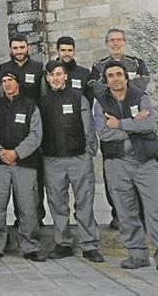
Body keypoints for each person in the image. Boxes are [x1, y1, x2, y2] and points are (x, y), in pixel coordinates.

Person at [93, 62, 158, 276]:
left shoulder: (140, 96)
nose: (115, 78)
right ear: (106, 81)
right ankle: (137, 254)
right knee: (126, 211)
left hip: (145, 162)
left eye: (119, 74)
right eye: (110, 76)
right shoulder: (100, 103)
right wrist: (134, 124)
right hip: (116, 163)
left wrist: (120, 124)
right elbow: (103, 133)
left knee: (155, 210)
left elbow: (149, 124)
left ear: (126, 77)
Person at [39, 60, 104, 263]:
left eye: (59, 74)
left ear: (65, 76)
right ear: (47, 78)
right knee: (57, 203)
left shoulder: (78, 98)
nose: (56, 78)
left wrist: (88, 152)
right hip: (52, 160)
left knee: (84, 200)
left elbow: (88, 127)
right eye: (52, 75)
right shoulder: (42, 102)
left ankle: (89, 244)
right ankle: (63, 243)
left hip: (78, 158)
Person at [89, 28, 150, 230]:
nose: (115, 43)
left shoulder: (137, 63)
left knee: (139, 174)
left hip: (133, 134)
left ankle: (141, 216)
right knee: (114, 176)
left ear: (124, 42)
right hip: (110, 125)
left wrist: (119, 88)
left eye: (119, 40)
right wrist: (121, 87)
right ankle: (118, 214)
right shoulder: (98, 66)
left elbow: (142, 86)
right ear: (106, 43)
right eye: (111, 40)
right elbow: (97, 90)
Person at [0, 71, 46, 262]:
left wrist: (16, 153)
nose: (7, 84)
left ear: (18, 83)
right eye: (3, 81)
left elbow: (36, 135)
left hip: (25, 163)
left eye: (10, 80)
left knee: (28, 206)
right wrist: (0, 151)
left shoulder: (30, 106)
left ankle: (30, 246)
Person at [0, 34, 44, 102]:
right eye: (15, 48)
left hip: (33, 110)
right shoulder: (3, 68)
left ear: (28, 48)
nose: (19, 51)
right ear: (10, 50)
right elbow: (1, 93)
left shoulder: (38, 67)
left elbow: (43, 93)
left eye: (22, 47)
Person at [53, 36, 93, 102]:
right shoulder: (49, 72)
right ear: (57, 51)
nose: (66, 54)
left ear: (74, 51)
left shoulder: (84, 73)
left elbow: (89, 99)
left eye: (70, 50)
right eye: (63, 50)